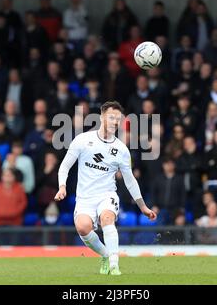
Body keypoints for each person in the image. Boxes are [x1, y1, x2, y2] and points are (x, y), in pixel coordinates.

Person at [55, 101, 157, 276]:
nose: (115, 122)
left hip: (107, 194)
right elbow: (64, 166)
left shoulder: (121, 149)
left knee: (107, 219)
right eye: (111, 117)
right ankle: (104, 254)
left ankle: (114, 265)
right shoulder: (83, 140)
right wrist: (62, 186)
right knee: (82, 227)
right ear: (101, 117)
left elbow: (130, 180)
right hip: (85, 197)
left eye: (118, 119)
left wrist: (143, 207)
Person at [150, 157, 185, 225]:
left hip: (175, 210)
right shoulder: (158, 178)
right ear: (163, 165)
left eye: (170, 164)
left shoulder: (179, 179)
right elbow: (153, 193)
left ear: (174, 165)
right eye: (166, 164)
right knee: (160, 229)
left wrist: (181, 210)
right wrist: (154, 205)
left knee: (174, 231)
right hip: (160, 209)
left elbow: (183, 194)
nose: (168, 166)